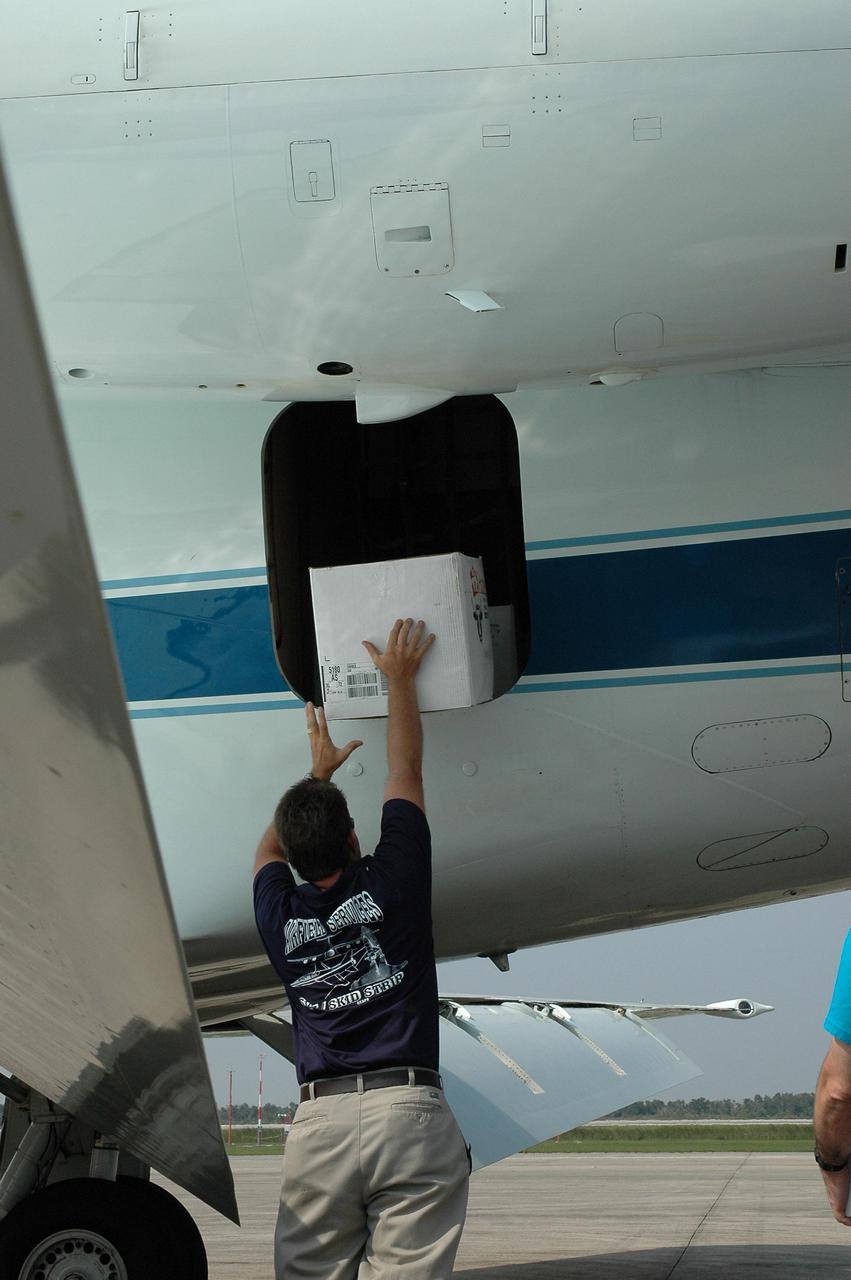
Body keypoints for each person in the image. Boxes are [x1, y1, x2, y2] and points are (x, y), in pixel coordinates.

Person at [253, 618, 470, 1279]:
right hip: (405, 1109)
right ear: (354, 840)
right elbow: (404, 769)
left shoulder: (278, 915)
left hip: (318, 1124)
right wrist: (399, 682)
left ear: (293, 859)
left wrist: (314, 775)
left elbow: (267, 849)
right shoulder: (393, 880)